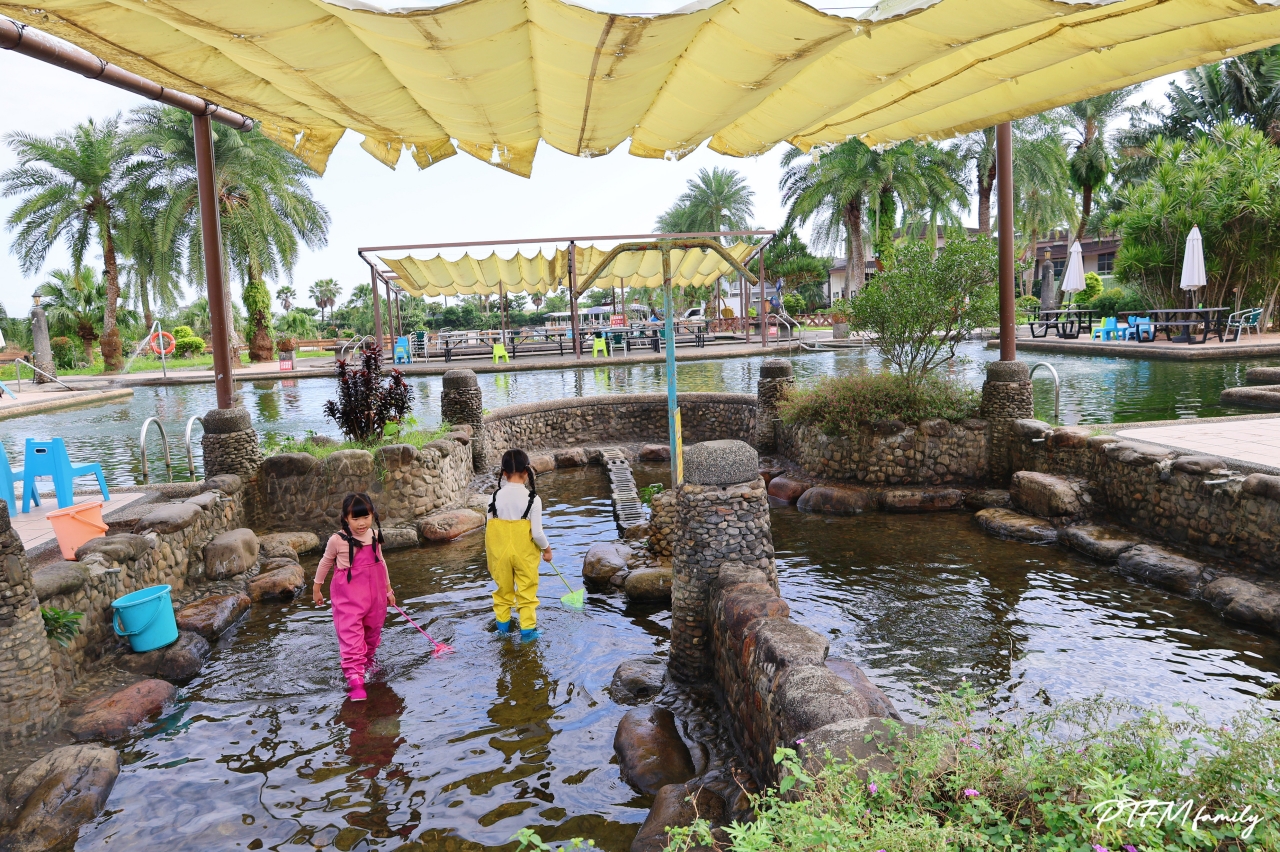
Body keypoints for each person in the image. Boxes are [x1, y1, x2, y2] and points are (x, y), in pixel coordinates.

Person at [313, 493, 396, 701]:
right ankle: (355, 680)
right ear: (345, 519)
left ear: (373, 515)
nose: (361, 523)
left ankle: (367, 664)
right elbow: (324, 563)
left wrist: (388, 589)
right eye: (355, 518)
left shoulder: (375, 536)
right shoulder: (337, 540)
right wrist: (317, 587)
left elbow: (381, 562)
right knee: (351, 638)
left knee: (372, 633)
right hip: (348, 600)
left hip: (374, 597)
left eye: (365, 517)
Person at [486, 449, 552, 642]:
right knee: (527, 594)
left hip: (499, 554)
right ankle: (528, 634)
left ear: (504, 473)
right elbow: (538, 533)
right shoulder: (533, 499)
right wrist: (547, 550)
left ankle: (503, 633)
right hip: (525, 555)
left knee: (502, 594)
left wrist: (490, 560)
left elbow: (488, 531)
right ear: (526, 471)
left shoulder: (494, 497)